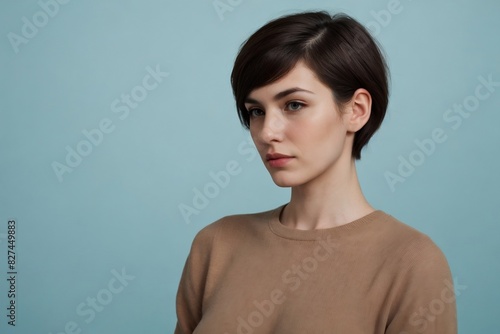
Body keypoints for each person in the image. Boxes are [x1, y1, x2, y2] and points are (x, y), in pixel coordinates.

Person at [175, 11, 457, 334]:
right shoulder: (215, 246)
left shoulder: (413, 264)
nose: (267, 132)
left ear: (357, 110)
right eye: (256, 111)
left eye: (294, 105)